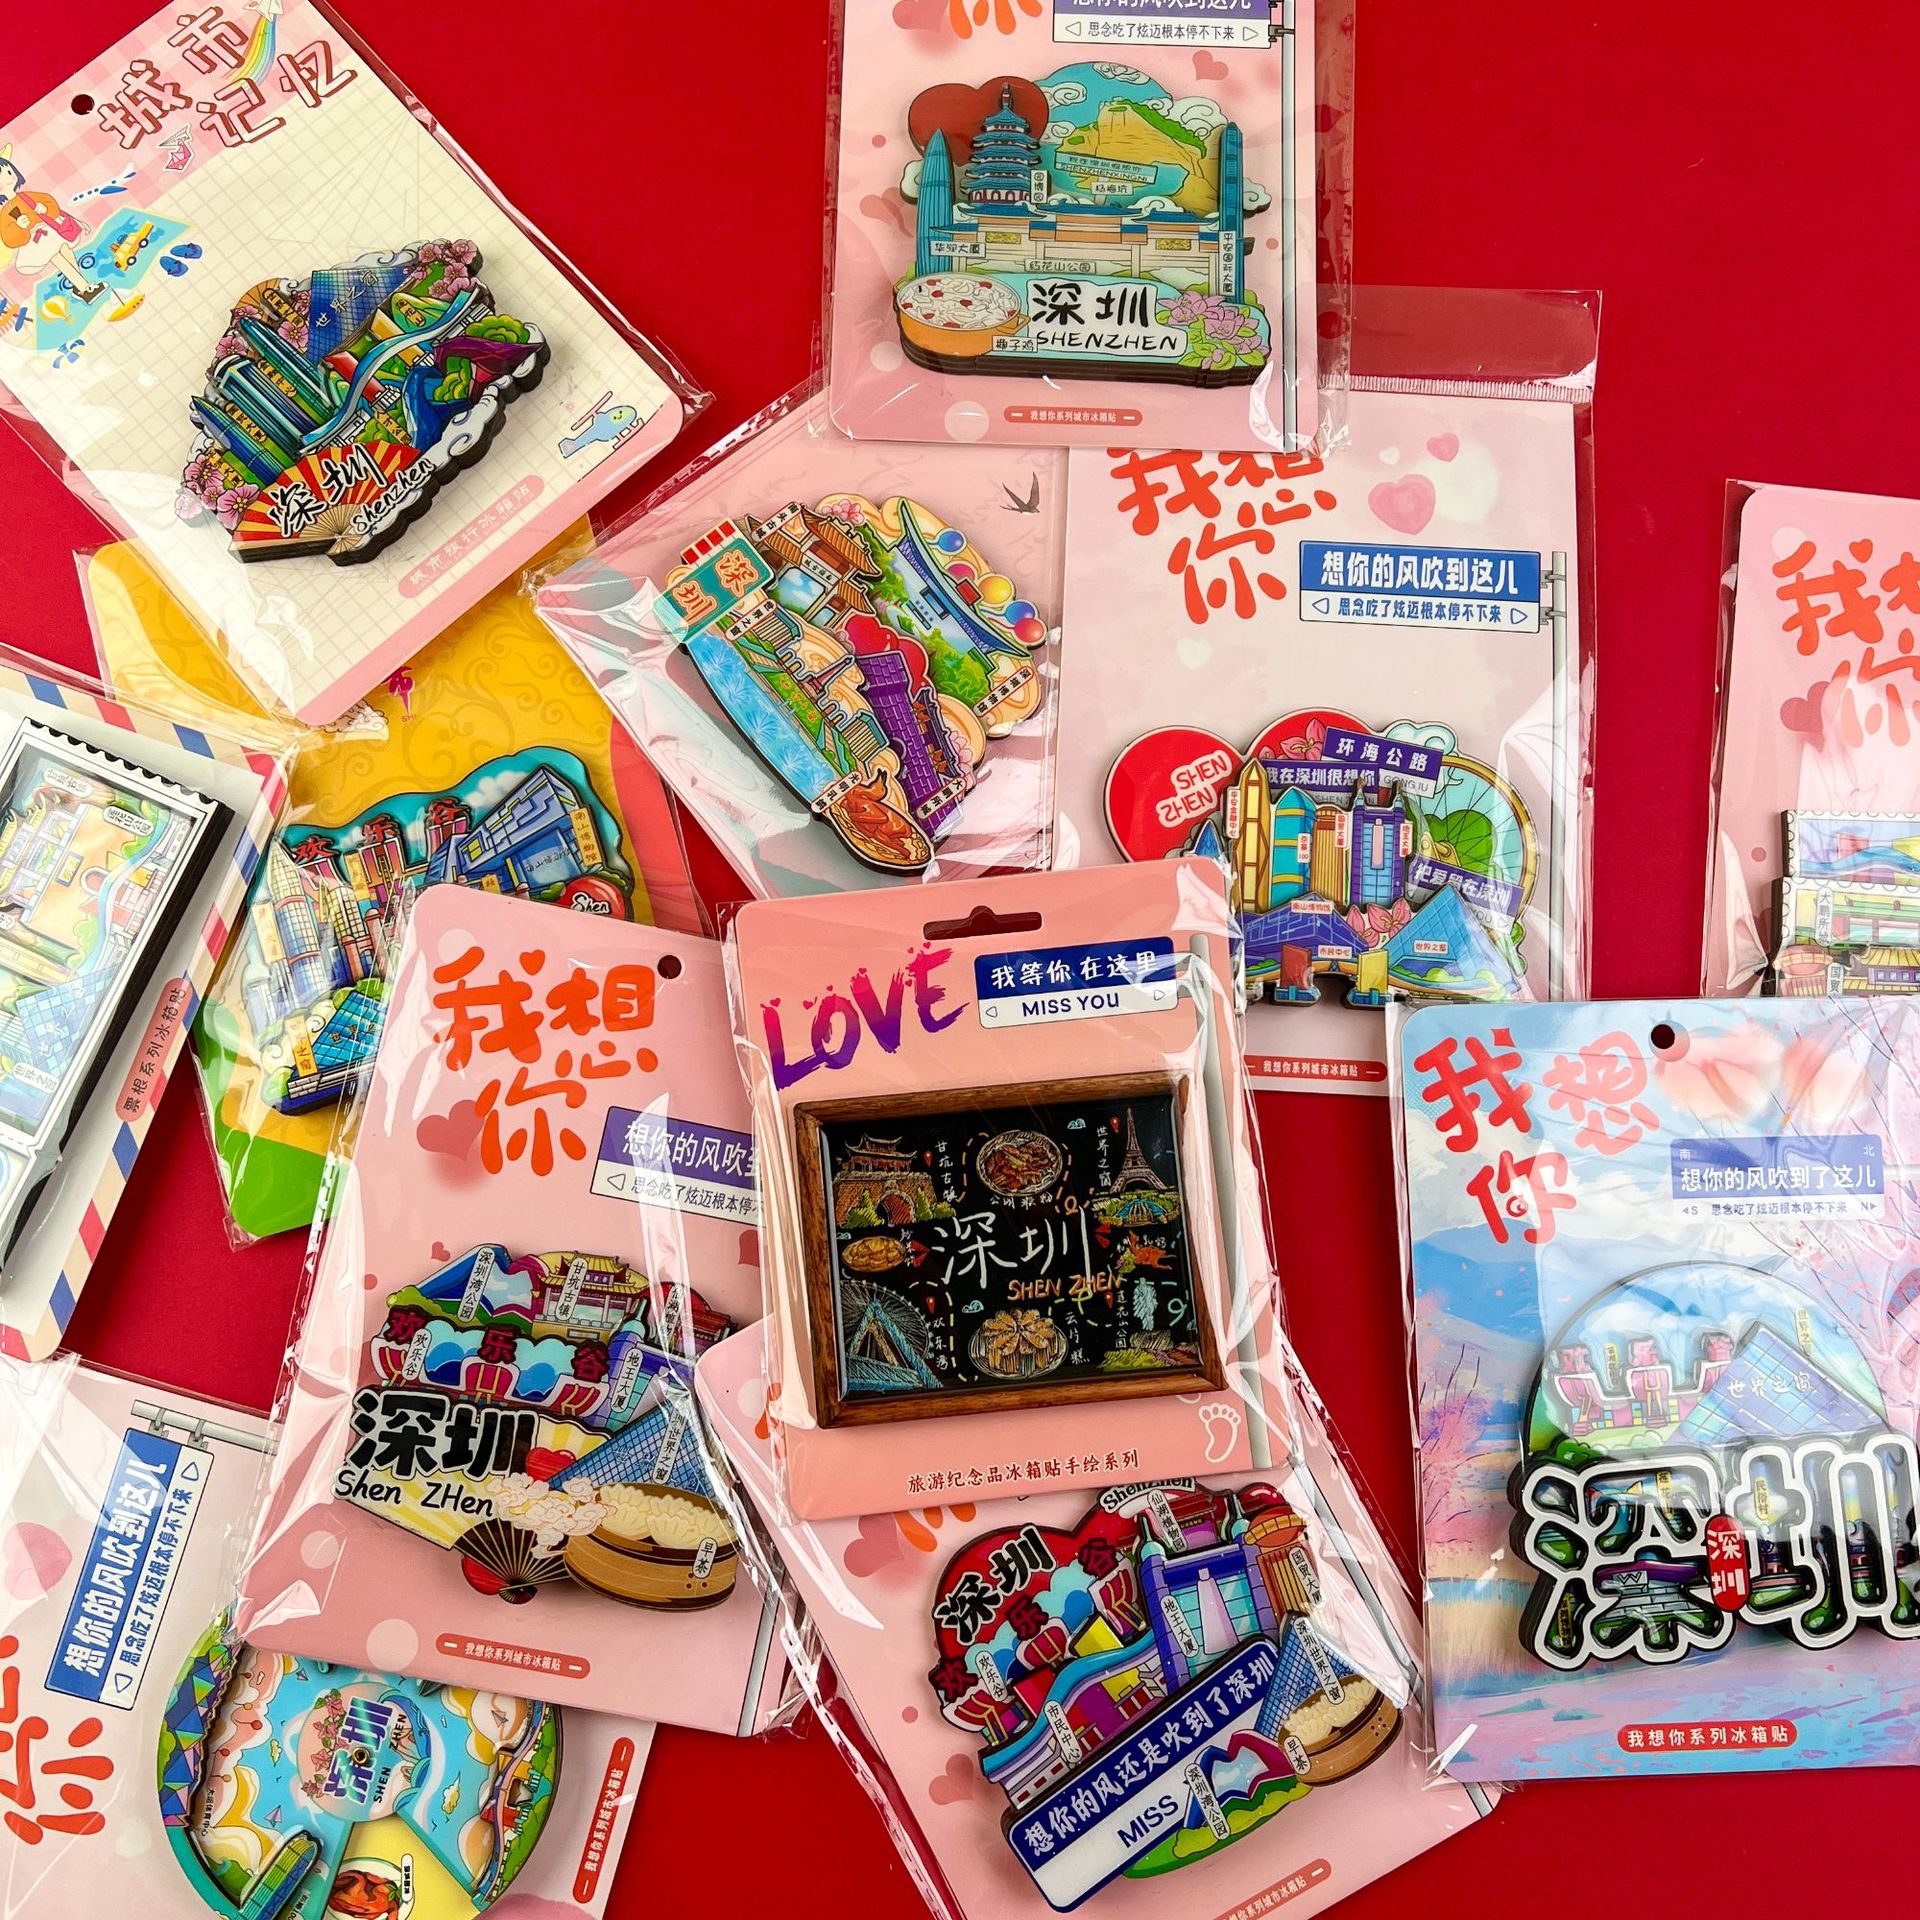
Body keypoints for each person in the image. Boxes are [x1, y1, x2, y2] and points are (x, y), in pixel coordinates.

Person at [0, 146, 104, 303]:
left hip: (51, 229)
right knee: (55, 255)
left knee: (65, 249)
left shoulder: (26, 196)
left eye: (9, 171)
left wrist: (45, 208)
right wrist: (20, 227)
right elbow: (9, 237)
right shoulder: (5, 211)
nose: (9, 177)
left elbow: (49, 203)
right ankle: (84, 288)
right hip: (34, 241)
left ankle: (81, 286)